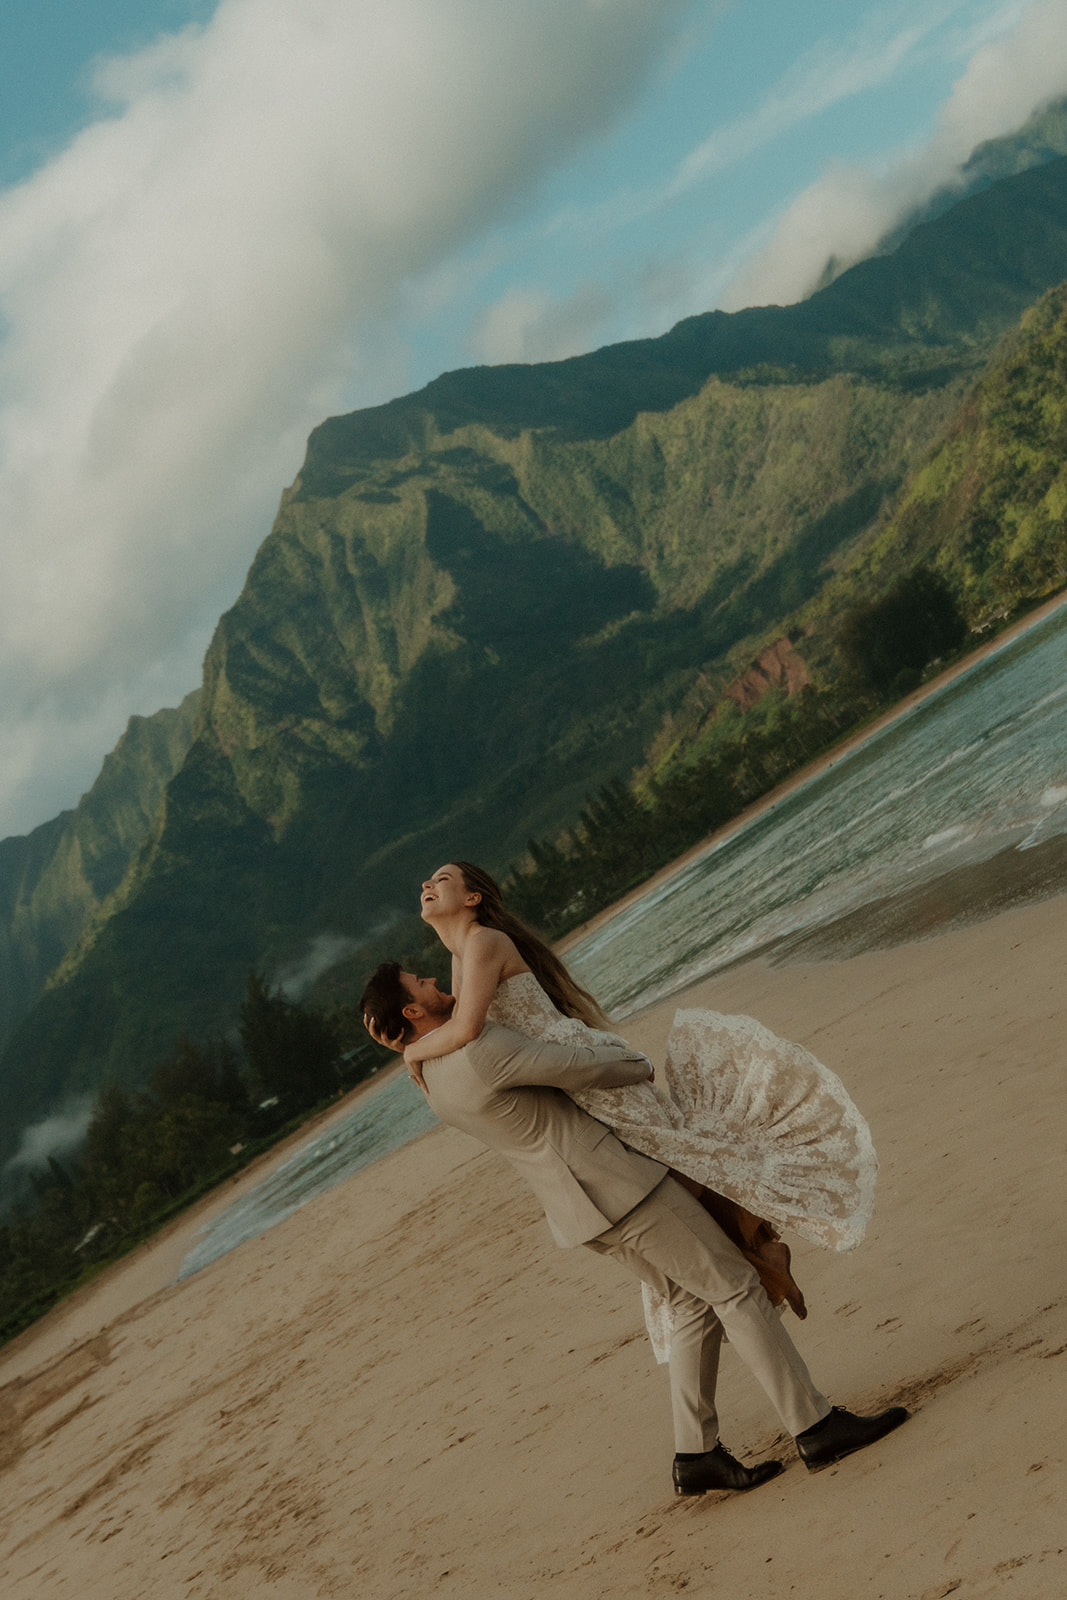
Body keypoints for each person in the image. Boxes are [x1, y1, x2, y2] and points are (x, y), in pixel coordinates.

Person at [360, 959, 909, 1493]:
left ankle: (696, 1457)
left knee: (692, 1303)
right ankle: (815, 1427)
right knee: (736, 1288)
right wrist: (637, 1066)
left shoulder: (432, 1078)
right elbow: (573, 1067)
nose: (435, 979)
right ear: (412, 1008)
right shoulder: (477, 1053)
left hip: (580, 1212)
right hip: (621, 1189)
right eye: (422, 981)